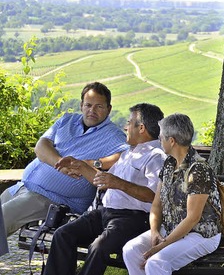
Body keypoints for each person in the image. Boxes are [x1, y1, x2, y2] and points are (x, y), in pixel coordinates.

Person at [42, 103, 166, 275]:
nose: (125, 127)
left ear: (142, 128)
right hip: (104, 213)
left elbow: (154, 196)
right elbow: (101, 180)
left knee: (98, 247)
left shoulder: (156, 156)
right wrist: (79, 165)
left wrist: (119, 183)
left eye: (129, 123)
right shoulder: (129, 152)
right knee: (63, 234)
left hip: (133, 219)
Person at [1, 82, 129, 235]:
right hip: (23, 187)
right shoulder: (67, 120)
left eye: (99, 107)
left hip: (51, 198)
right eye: (88, 105)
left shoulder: (113, 135)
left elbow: (125, 156)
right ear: (81, 105)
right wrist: (59, 164)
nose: (92, 111)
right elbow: (41, 146)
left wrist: (91, 163)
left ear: (109, 109)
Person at [122, 113, 222, 275]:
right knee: (131, 250)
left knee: (156, 263)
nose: (159, 139)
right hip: (171, 228)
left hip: (200, 234)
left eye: (161, 137)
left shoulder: (198, 170)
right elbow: (156, 204)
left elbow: (193, 218)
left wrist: (161, 246)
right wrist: (155, 232)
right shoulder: (169, 163)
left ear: (172, 141)